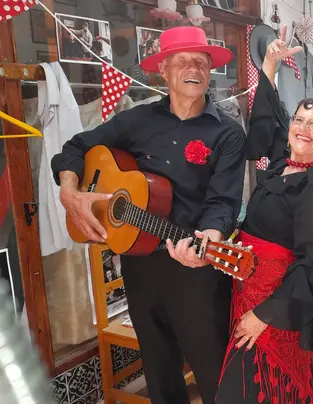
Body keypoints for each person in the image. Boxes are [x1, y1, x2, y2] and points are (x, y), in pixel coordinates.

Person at [51, 26, 245, 404]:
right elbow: (75, 148)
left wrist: (209, 241)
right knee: (158, 372)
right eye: (183, 61)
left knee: (215, 374)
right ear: (164, 71)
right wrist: (70, 193)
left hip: (196, 267)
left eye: (201, 62)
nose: (194, 69)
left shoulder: (228, 132)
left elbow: (223, 202)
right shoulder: (136, 121)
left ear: (210, 71)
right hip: (139, 265)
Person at [214, 25, 313, 404]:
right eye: (299, 120)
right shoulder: (279, 166)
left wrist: (264, 315)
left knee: (257, 389)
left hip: (273, 308)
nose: (303, 128)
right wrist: (269, 66)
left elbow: (312, 265)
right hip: (245, 291)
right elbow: (265, 122)